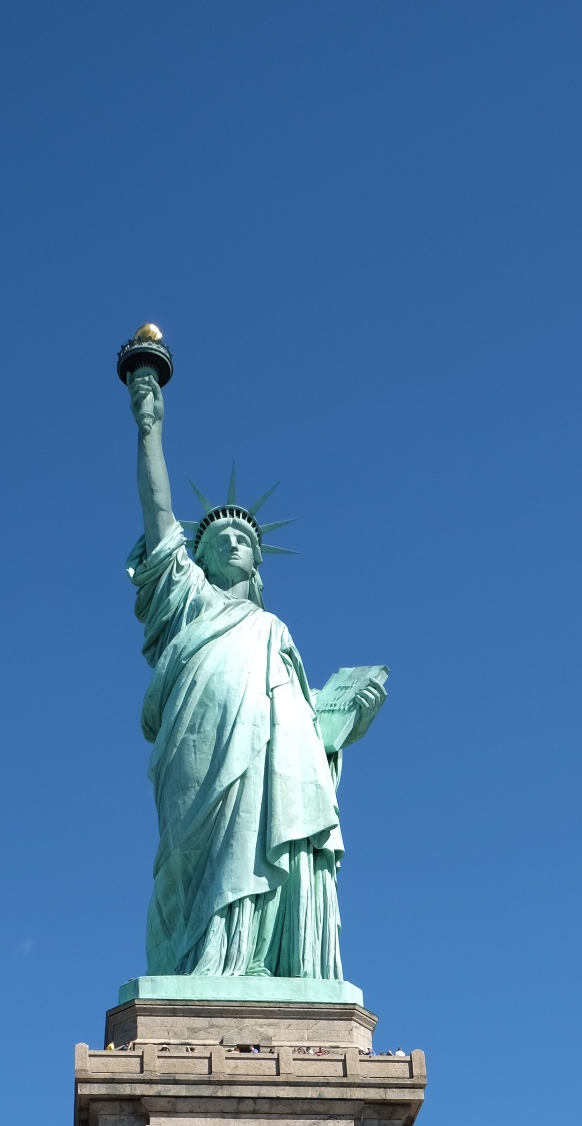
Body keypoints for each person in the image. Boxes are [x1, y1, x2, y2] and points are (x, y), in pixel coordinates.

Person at [124, 359, 386, 980]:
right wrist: (149, 427)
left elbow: (309, 732)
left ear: (258, 563)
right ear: (202, 556)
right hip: (201, 741)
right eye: (220, 539)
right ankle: (204, 963)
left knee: (272, 833)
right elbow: (158, 514)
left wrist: (345, 718)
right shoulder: (186, 598)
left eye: (246, 539)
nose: (234, 542)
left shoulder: (275, 632)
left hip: (274, 756)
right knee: (198, 859)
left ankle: (261, 960)